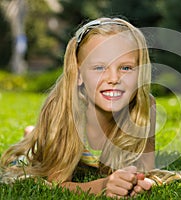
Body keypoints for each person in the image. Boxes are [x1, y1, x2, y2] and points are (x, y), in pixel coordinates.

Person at [0, 17, 162, 198]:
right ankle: (34, 135)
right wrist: (104, 185)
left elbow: (147, 170)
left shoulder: (145, 106)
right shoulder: (62, 108)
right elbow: (56, 184)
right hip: (63, 144)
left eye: (125, 68)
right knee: (36, 149)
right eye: (100, 67)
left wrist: (139, 182)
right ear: (78, 74)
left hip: (88, 158)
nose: (114, 78)